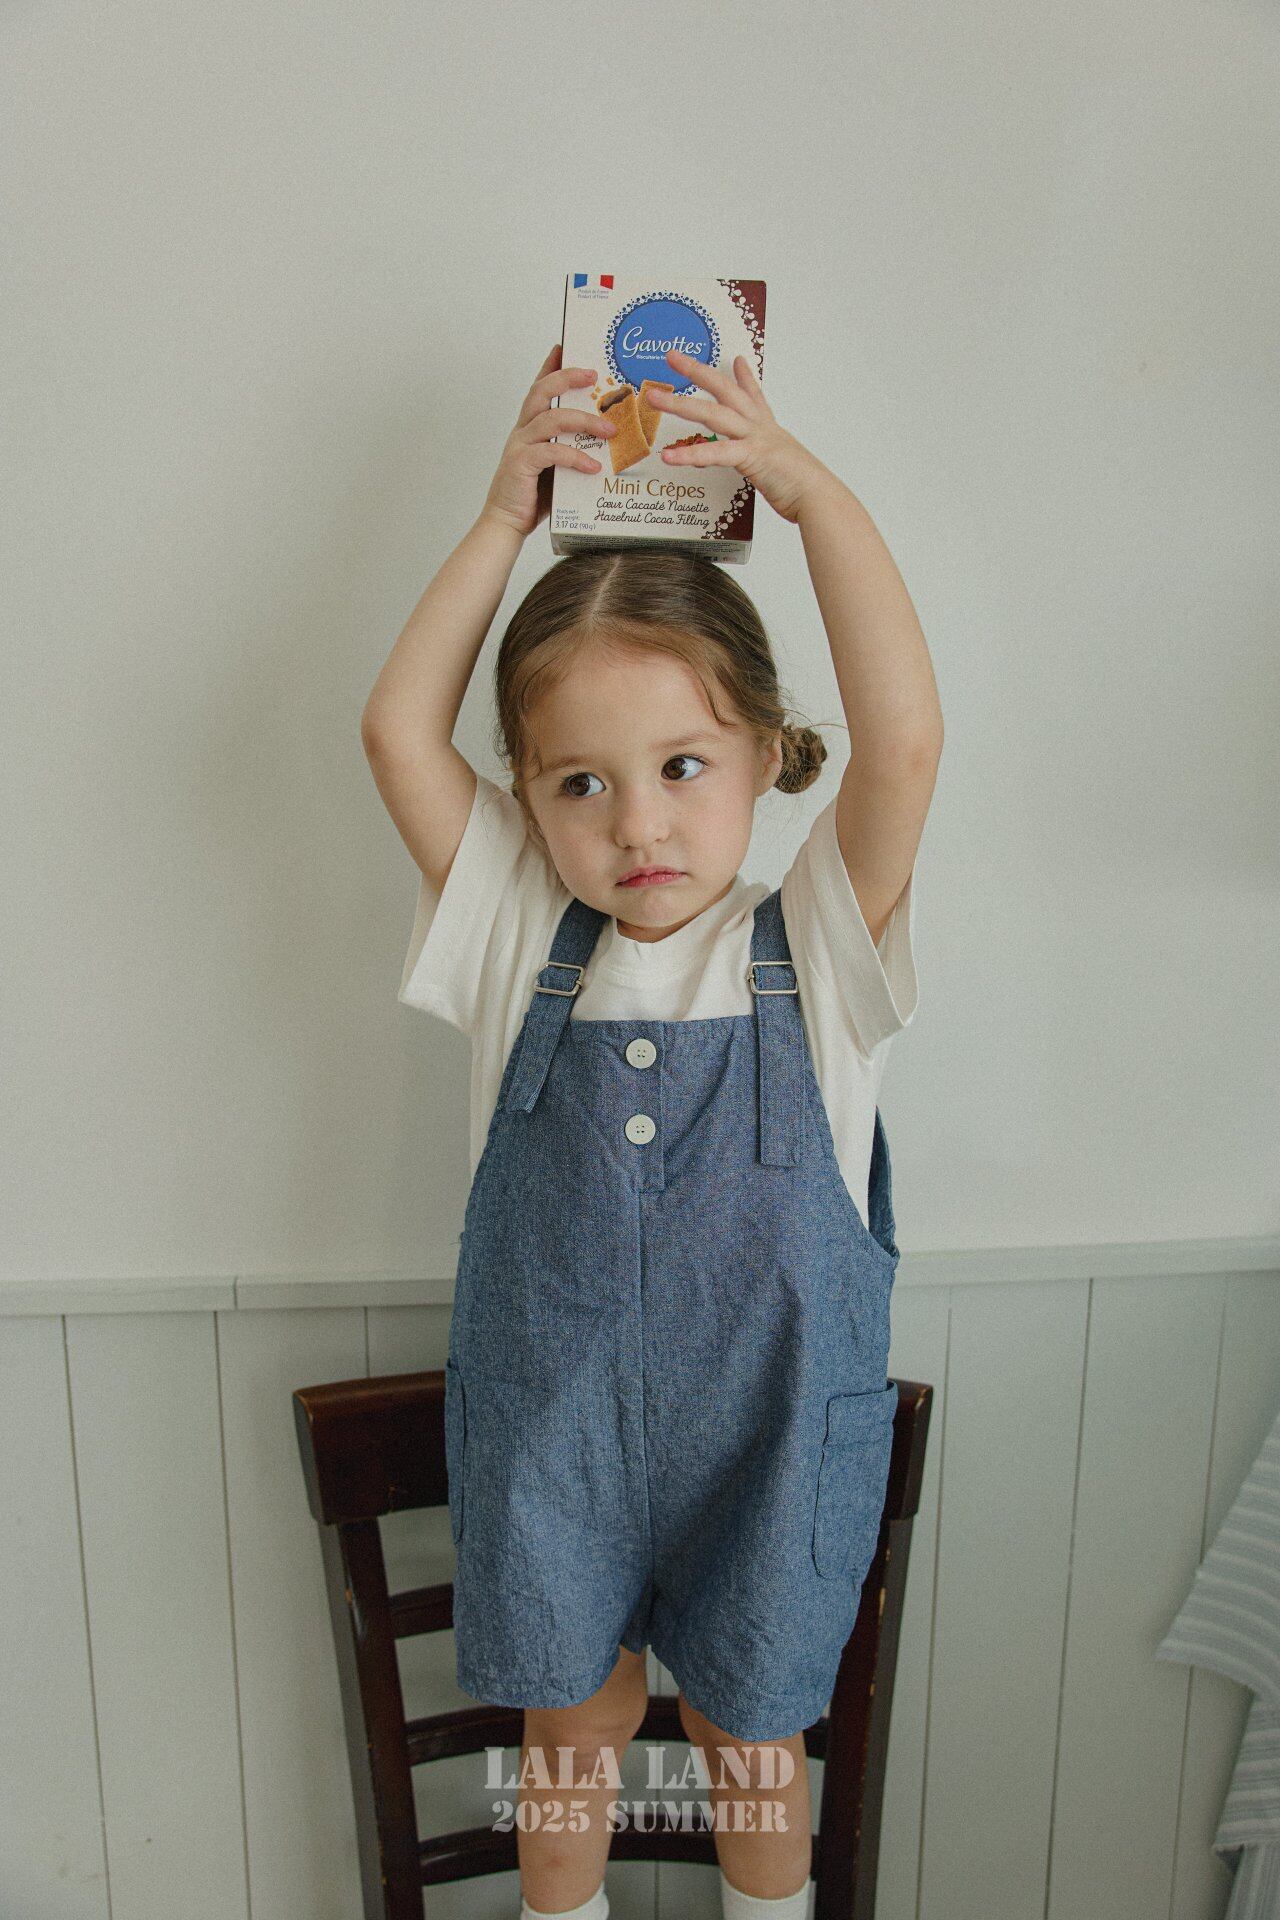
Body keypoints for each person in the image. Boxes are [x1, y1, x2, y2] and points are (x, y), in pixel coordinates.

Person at [360, 342, 944, 1920]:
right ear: (529, 797)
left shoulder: (817, 948)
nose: (638, 824)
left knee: (754, 1743)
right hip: (554, 1444)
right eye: (580, 784)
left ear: (765, 750)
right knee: (574, 1731)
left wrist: (803, 491)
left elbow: (903, 744)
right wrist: (503, 518)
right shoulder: (514, 938)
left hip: (770, 1441)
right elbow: (399, 733)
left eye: (684, 765)